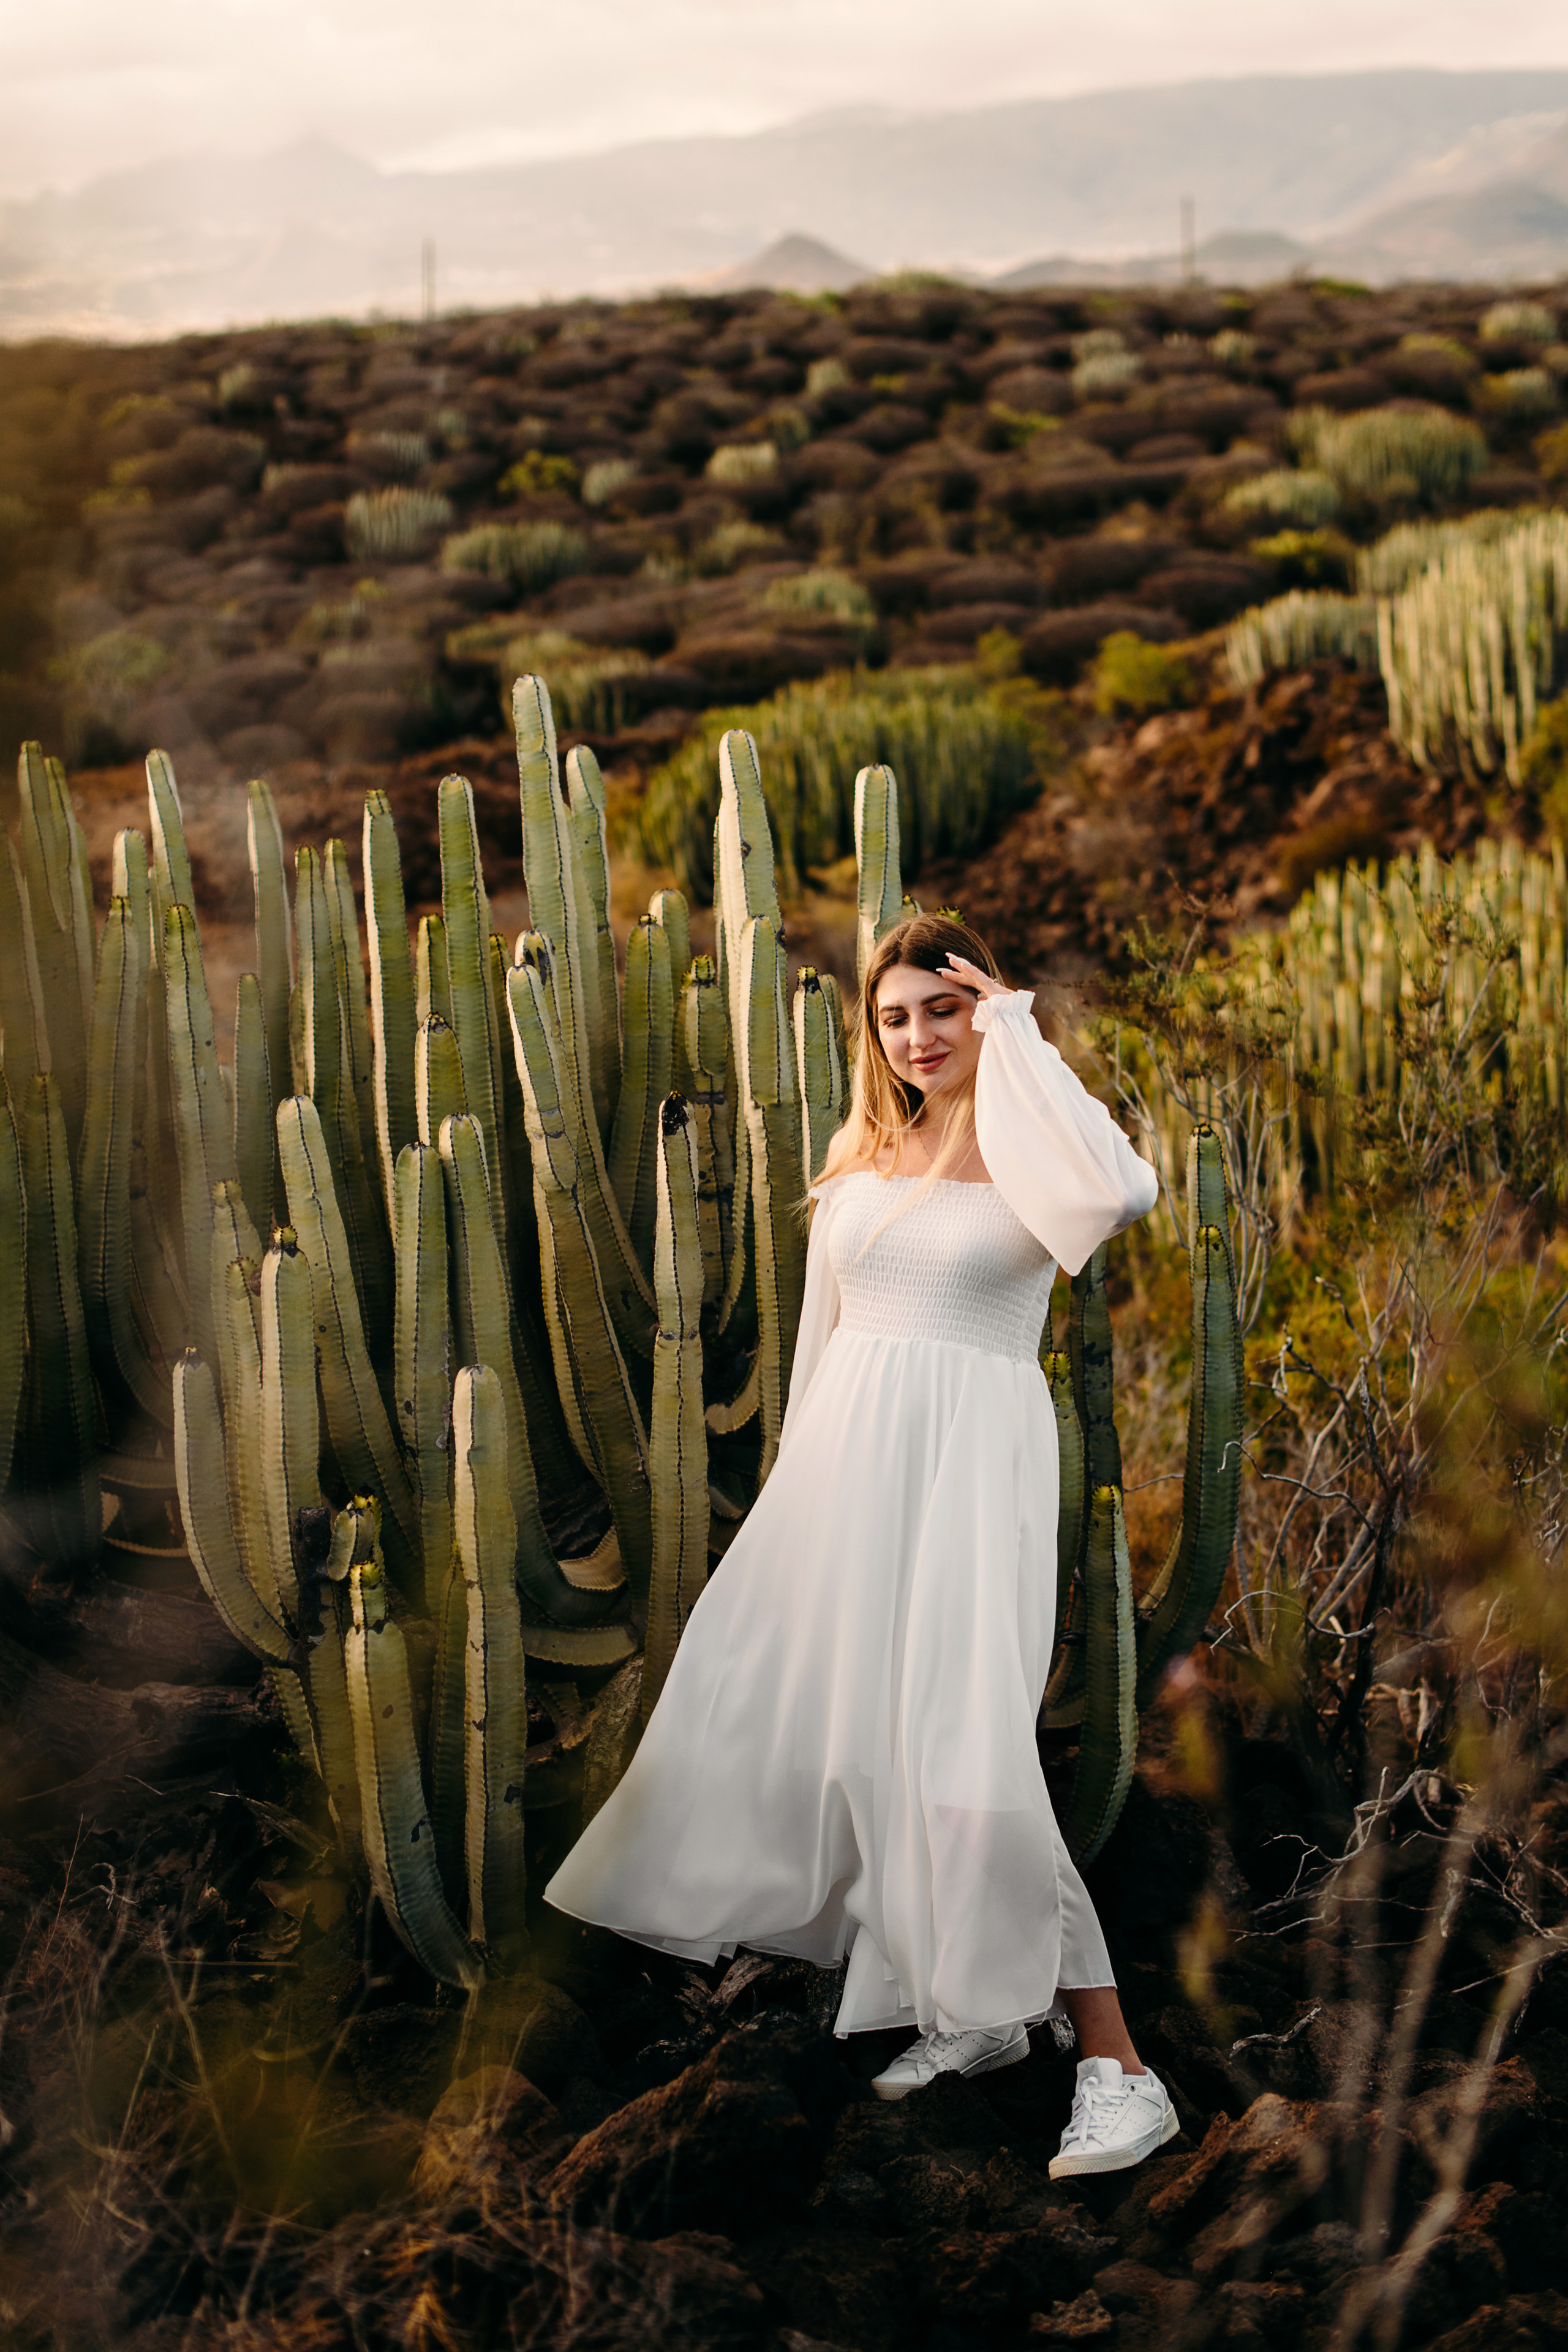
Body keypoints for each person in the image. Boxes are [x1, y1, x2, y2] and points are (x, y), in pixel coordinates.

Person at [546, 914, 1177, 2178]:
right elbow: (828, 1343)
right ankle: (972, 2017)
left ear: (979, 1007)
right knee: (865, 1741)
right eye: (894, 1017)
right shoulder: (862, 1150)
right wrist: (797, 1506)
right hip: (848, 1476)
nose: (917, 1036)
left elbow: (1120, 1194)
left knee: (963, 1756)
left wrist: (1018, 1031)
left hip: (966, 1475)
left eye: (940, 1010)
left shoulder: (1028, 1143)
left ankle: (1117, 2071)